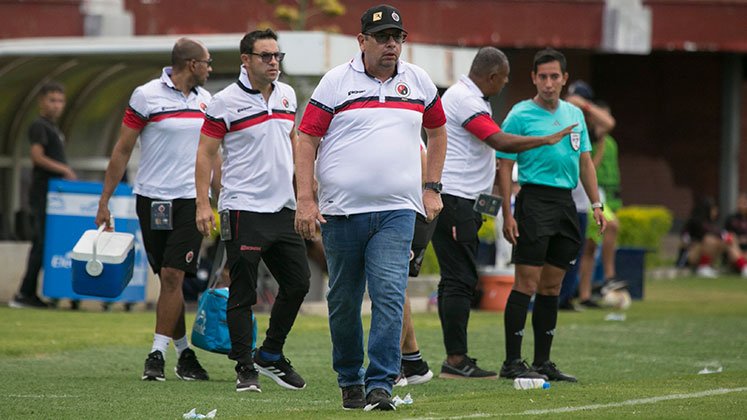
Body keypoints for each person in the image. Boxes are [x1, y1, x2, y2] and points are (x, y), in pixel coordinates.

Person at [294, 4, 447, 410]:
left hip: (398, 211)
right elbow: (306, 138)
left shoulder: (419, 82)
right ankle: (350, 378)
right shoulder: (334, 83)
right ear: (362, 41)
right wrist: (306, 200)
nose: (391, 44)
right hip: (341, 213)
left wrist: (431, 188)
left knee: (390, 294)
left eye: (397, 37)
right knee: (344, 299)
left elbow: (438, 131)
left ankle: (382, 383)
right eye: (382, 38)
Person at [435, 47, 576, 379]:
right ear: (493, 77)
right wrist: (545, 140)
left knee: (458, 279)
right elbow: (499, 142)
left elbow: (485, 158)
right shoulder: (466, 100)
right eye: (506, 78)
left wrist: (492, 206)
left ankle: (456, 358)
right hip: (455, 200)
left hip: (464, 201)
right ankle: (455, 361)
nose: (506, 84)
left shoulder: (471, 98)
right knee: (460, 280)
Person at [195, 29, 311, 393]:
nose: (273, 62)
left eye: (277, 56)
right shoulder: (224, 101)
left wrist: (305, 193)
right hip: (242, 207)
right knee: (242, 292)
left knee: (298, 283)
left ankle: (271, 353)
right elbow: (205, 153)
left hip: (283, 208)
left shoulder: (289, 95)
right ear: (246, 60)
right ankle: (245, 367)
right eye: (265, 56)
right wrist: (203, 203)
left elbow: (292, 140)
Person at [95, 38, 213, 381]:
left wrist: (224, 197)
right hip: (151, 200)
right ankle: (184, 353)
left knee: (175, 276)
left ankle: (156, 355)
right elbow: (122, 150)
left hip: (192, 201)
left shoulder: (207, 102)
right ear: (191, 64)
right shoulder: (145, 95)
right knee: (167, 279)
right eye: (205, 62)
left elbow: (212, 156)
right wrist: (104, 202)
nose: (209, 68)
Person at [497, 48, 606, 382]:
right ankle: (512, 362)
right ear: (533, 78)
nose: (548, 83)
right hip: (533, 201)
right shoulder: (519, 115)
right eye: (542, 76)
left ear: (564, 79)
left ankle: (543, 361)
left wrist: (596, 204)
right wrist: (507, 212)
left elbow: (585, 161)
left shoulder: (575, 115)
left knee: (552, 286)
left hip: (565, 205)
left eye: (554, 76)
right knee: (526, 283)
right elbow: (504, 164)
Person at [10, 82, 77, 309]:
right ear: (41, 101)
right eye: (52, 100)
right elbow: (37, 157)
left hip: (54, 196)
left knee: (46, 243)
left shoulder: (53, 128)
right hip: (42, 194)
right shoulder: (39, 126)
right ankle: (24, 293)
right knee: (40, 242)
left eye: (60, 101)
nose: (56, 105)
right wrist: (64, 170)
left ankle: (33, 292)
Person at [557, 82, 618, 310]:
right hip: (558, 195)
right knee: (558, 251)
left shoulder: (586, 129)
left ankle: (568, 297)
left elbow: (609, 123)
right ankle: (556, 296)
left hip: (581, 200)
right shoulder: (558, 119)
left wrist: (583, 105)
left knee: (578, 249)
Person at [681, 196, 746, 277]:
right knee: (710, 240)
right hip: (691, 256)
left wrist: (729, 237)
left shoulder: (711, 223)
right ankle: (703, 267)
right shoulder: (695, 222)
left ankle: (744, 267)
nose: (716, 212)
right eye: (714, 209)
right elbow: (685, 241)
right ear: (708, 210)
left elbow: (721, 234)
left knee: (730, 240)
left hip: (706, 254)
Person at [724, 192, 747, 274]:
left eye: (744, 203)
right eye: (740, 202)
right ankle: (744, 268)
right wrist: (738, 240)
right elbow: (724, 235)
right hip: (735, 251)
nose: (741, 205)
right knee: (732, 242)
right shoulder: (731, 219)